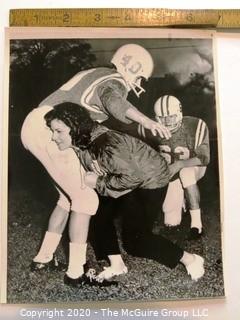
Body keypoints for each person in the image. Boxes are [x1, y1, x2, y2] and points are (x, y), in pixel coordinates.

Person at [21, 44, 171, 287]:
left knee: (66, 198)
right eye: (140, 76)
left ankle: (44, 257)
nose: (139, 82)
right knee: (86, 199)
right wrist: (145, 120)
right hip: (51, 130)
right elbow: (112, 100)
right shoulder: (113, 80)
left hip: (38, 124)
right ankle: (75, 272)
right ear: (132, 67)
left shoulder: (94, 72)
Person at [43, 102, 205, 284]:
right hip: (127, 177)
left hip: (150, 180)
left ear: (75, 128)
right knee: (96, 212)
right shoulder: (82, 139)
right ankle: (117, 264)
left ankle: (190, 259)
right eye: (52, 131)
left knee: (136, 241)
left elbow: (131, 178)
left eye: (58, 131)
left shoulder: (105, 143)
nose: (53, 137)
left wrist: (98, 182)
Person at [153, 95, 210, 240]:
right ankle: (184, 199)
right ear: (156, 118)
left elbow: (204, 158)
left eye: (171, 117)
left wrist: (179, 164)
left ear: (179, 114)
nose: (167, 122)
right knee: (171, 222)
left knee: (186, 173)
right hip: (170, 174)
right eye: (163, 118)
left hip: (193, 167)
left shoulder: (195, 125)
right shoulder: (149, 128)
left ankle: (197, 225)